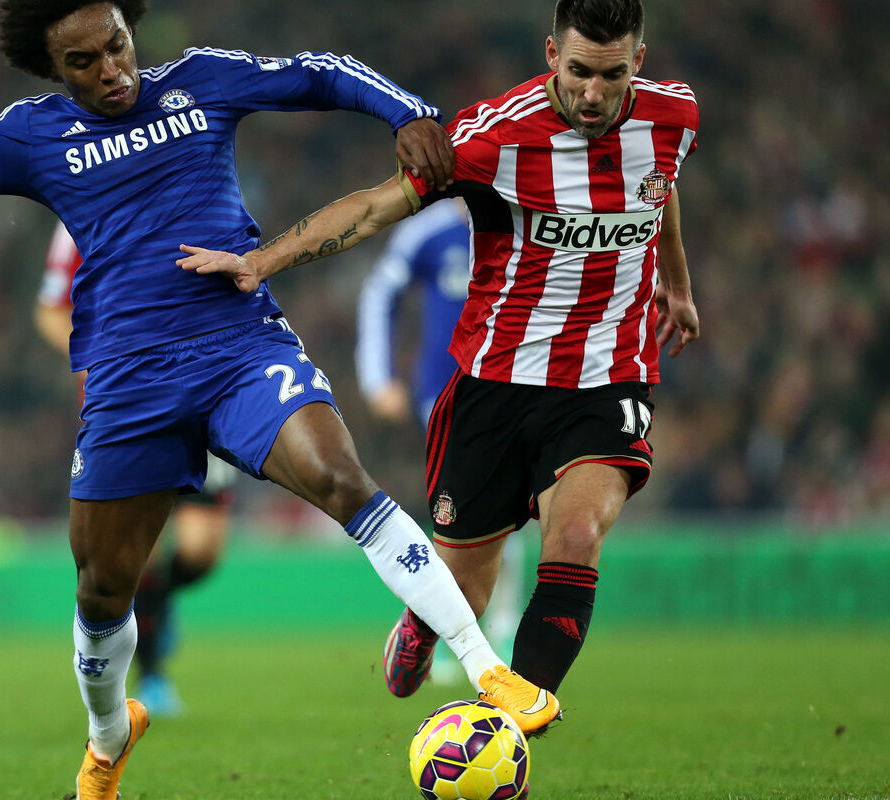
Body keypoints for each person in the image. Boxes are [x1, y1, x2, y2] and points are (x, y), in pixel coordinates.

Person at [0, 3, 558, 798]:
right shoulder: (34, 134)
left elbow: (319, 73)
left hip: (239, 349)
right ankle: (108, 739)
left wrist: (409, 113)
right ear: (54, 69)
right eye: (83, 62)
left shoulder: (201, 81)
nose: (111, 70)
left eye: (116, 46)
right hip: (129, 378)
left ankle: (488, 669)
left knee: (342, 479)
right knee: (102, 588)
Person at [180, 0, 698, 716]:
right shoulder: (493, 136)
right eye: (579, 71)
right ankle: (426, 623)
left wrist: (676, 283)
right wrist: (260, 262)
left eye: (612, 76)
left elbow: (661, 186)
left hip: (607, 376)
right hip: (494, 384)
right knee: (464, 587)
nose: (592, 93)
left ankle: (510, 719)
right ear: (552, 55)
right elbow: (374, 208)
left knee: (577, 537)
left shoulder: (675, 116)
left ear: (637, 63)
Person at [36, 220, 237, 717]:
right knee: (141, 553)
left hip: (201, 389)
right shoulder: (80, 214)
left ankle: (157, 609)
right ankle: (153, 678)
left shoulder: (193, 195)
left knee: (200, 552)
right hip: (127, 404)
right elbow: (50, 311)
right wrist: (96, 357)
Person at [354, 198, 525, 684]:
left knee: (511, 513)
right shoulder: (428, 232)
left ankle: (494, 632)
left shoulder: (528, 213)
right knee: (466, 513)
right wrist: (377, 377)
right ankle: (459, 633)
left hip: (521, 383)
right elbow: (379, 292)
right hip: (448, 392)